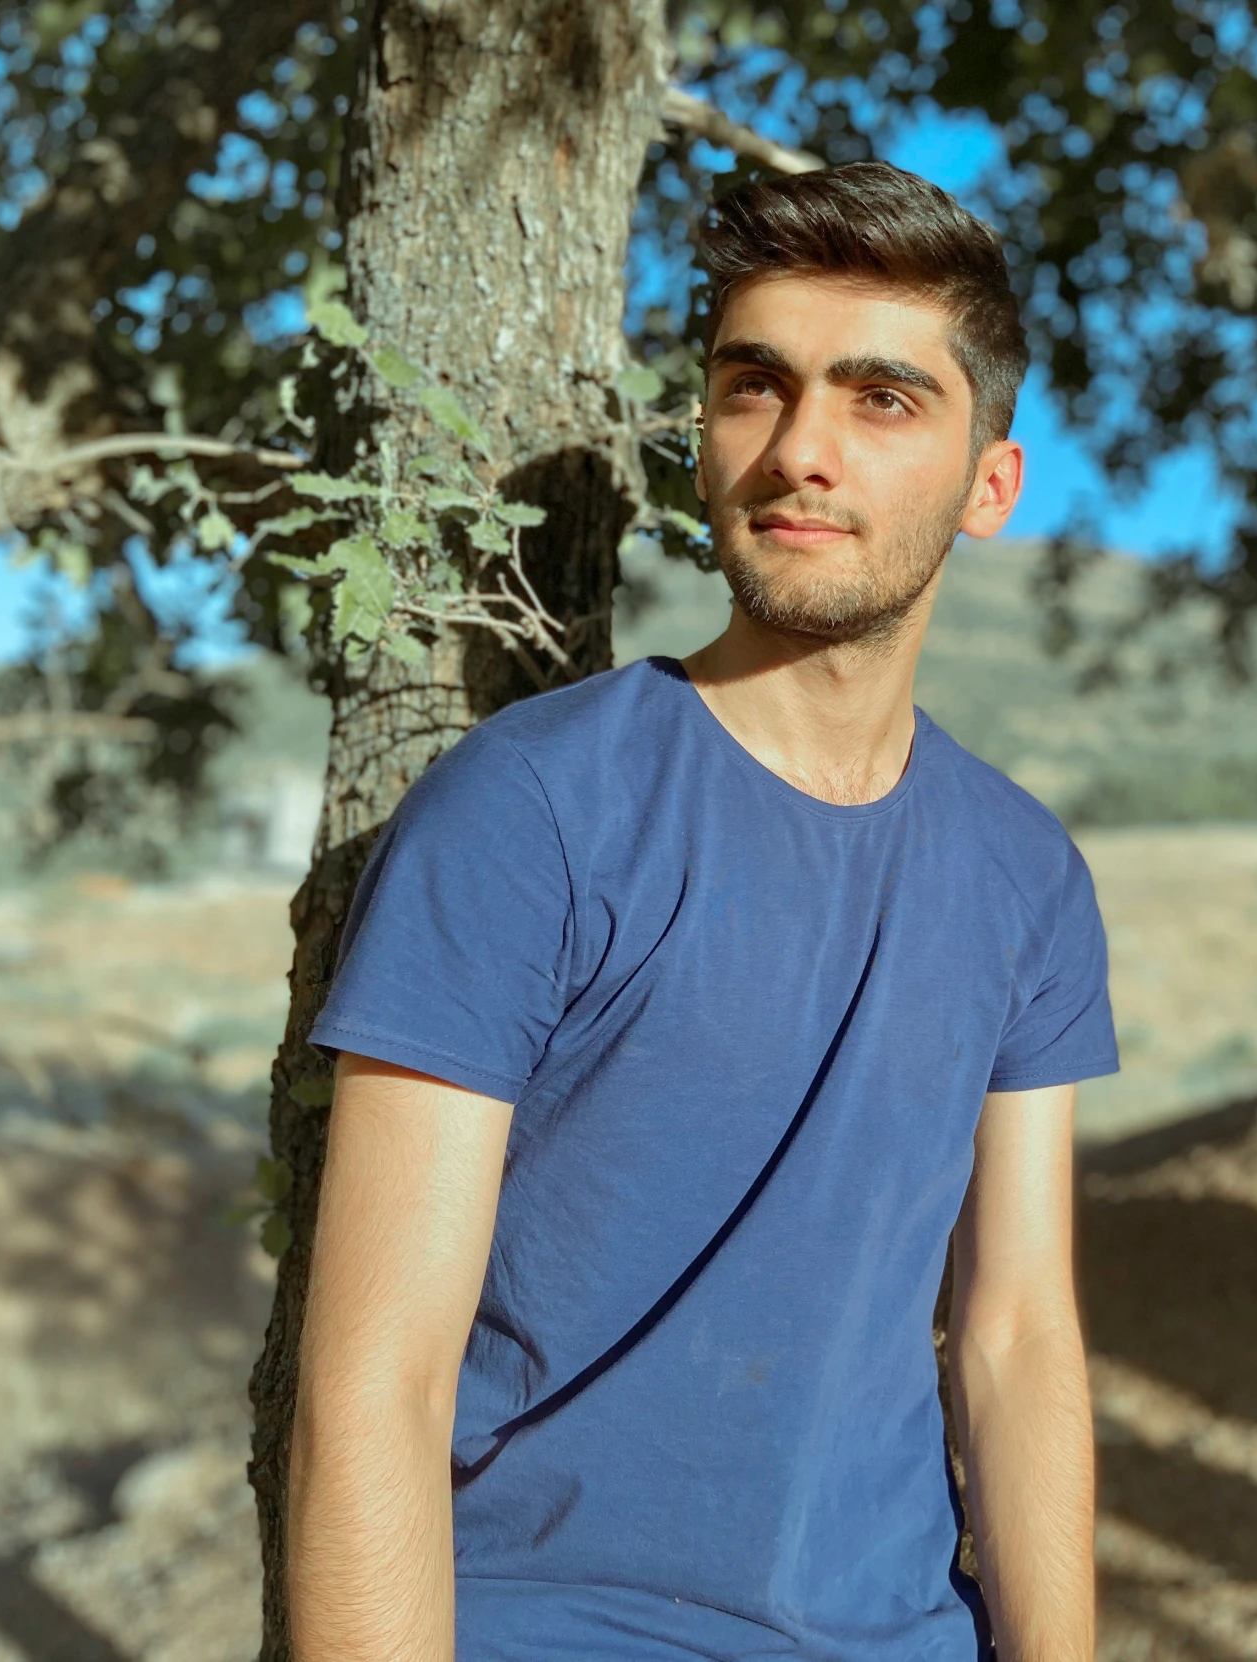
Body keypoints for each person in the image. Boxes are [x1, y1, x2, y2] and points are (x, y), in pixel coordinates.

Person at [286, 162, 1116, 1662]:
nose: (801, 451)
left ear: (990, 482)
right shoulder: (531, 810)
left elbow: (1016, 1337)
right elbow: (372, 1390)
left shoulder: (1024, 874)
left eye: (883, 401)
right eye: (757, 387)